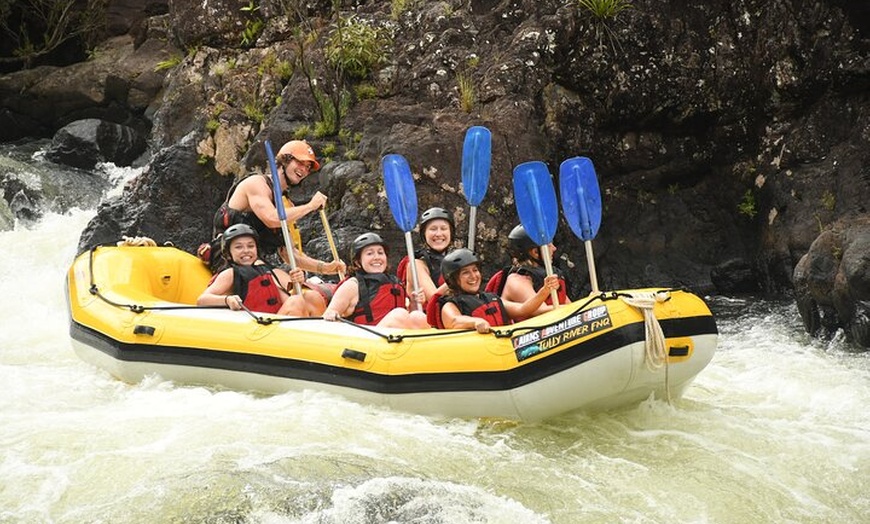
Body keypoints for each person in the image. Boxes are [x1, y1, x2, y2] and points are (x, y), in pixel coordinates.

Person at [207, 139, 346, 316]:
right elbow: (272, 219)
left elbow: (289, 254)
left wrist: (326, 268)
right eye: (300, 163)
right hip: (229, 257)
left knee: (311, 297)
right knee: (279, 276)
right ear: (284, 161)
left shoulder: (284, 203)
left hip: (258, 264)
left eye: (308, 167)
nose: (304, 170)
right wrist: (310, 206)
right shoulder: (257, 184)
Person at [429, 248, 561, 333]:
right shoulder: (450, 305)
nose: (473, 276)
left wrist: (545, 290)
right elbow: (454, 321)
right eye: (465, 273)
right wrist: (475, 322)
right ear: (453, 279)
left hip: (504, 349)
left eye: (475, 270)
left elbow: (524, 309)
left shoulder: (491, 298)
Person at [323, 233, 429, 329]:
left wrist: (414, 304)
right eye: (370, 254)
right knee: (399, 315)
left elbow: (408, 320)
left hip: (395, 340)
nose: (376, 257)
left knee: (418, 316)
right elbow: (329, 314)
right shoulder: (352, 285)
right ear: (358, 262)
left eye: (380, 253)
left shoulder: (395, 283)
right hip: (366, 342)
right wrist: (332, 314)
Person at [196, 224, 306, 315]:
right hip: (253, 328)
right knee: (296, 301)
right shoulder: (230, 274)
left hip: (274, 323)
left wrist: (298, 284)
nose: (246, 251)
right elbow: (202, 300)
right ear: (228, 254)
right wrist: (227, 300)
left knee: (310, 298)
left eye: (250, 246)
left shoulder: (266, 272)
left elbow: (288, 301)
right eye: (238, 247)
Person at [493, 224, 571, 322]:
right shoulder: (517, 281)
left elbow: (568, 304)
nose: (554, 248)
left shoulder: (550, 274)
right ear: (535, 252)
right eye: (549, 245)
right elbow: (540, 311)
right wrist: (579, 306)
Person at [396, 207, 454, 307]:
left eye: (444, 228)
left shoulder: (455, 260)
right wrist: (458, 279)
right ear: (424, 235)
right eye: (433, 229)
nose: (439, 234)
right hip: (427, 318)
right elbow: (434, 298)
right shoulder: (416, 264)